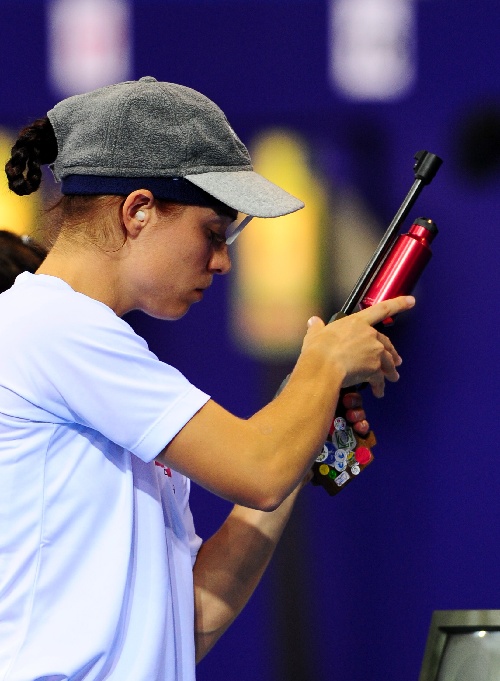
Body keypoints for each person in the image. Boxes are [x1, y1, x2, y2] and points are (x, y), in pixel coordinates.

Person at [0, 76, 414, 681]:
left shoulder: (72, 340)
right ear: (138, 210)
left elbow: (185, 622)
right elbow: (259, 471)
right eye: (213, 234)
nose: (222, 262)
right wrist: (322, 365)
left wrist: (303, 433)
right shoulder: (55, 328)